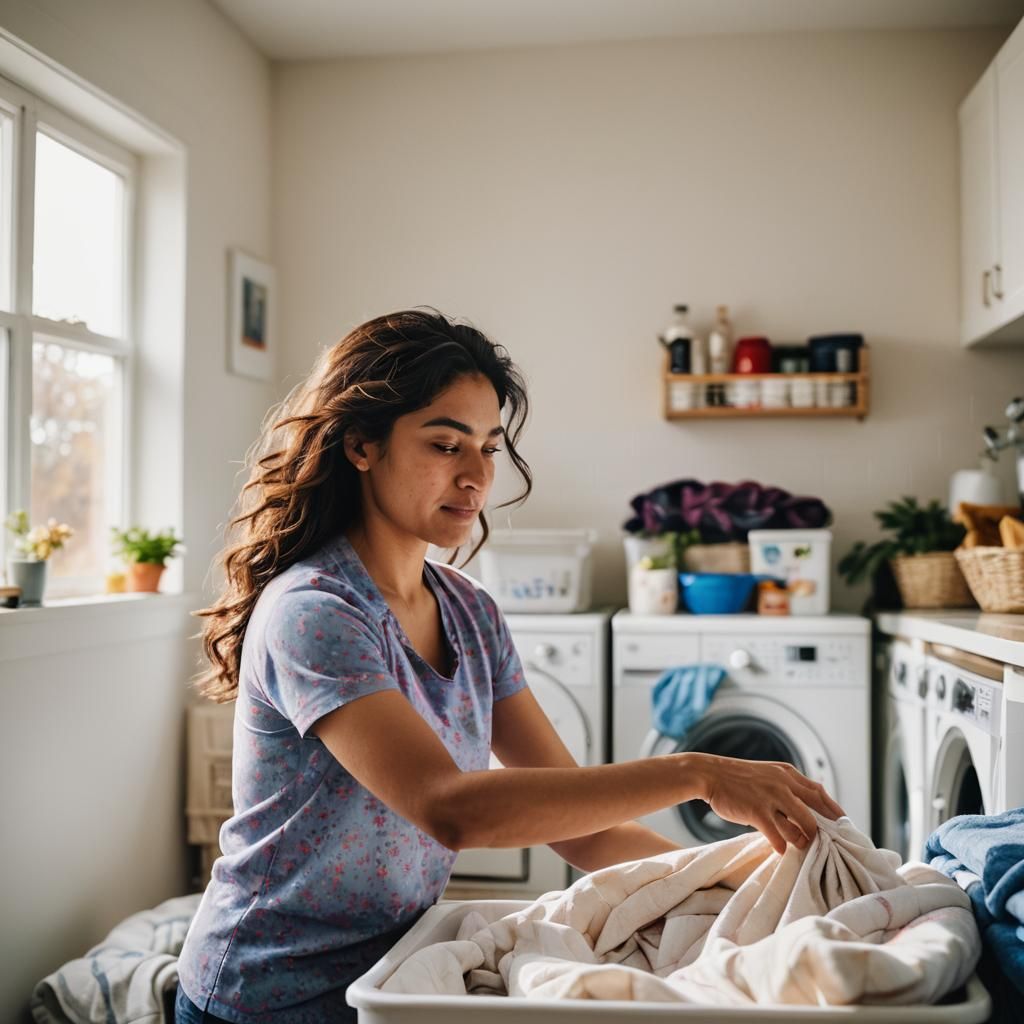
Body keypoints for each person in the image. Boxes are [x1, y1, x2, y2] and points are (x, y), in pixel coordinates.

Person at [174, 309, 844, 1024]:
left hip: (393, 978)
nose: (475, 476)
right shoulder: (315, 612)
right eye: (444, 444)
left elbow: (582, 828)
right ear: (361, 445)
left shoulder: (470, 612)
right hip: (261, 995)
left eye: (490, 448)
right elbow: (450, 808)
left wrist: (740, 887)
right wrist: (701, 773)